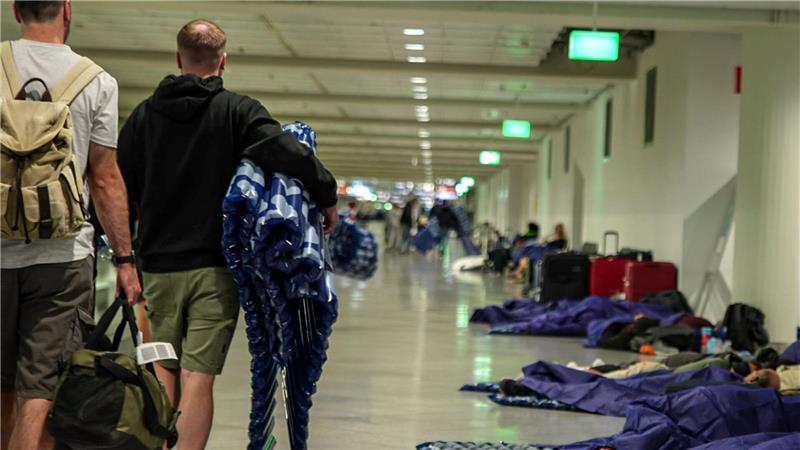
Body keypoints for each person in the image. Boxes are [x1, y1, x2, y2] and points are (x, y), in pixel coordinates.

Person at [117, 19, 338, 449]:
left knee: (162, 370)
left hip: (156, 270)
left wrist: (124, 258)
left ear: (178, 59)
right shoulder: (237, 111)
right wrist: (326, 193)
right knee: (198, 379)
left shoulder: (143, 116)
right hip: (214, 271)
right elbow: (285, 151)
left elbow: (119, 188)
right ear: (223, 61)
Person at [1, 2, 141, 449]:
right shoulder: (97, 81)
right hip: (63, 258)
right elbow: (104, 177)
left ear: (17, 10)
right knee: (41, 384)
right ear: (66, 10)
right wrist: (124, 258)